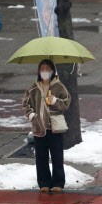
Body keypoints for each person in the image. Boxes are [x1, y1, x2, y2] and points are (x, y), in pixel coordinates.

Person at [22, 59, 71, 193]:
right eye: (42, 69)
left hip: (55, 129)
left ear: (52, 71)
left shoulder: (58, 87)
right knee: (41, 158)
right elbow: (25, 104)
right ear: (39, 71)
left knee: (57, 157)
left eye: (47, 69)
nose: (44, 72)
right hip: (39, 129)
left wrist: (55, 101)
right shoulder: (33, 88)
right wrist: (32, 115)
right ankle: (43, 182)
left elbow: (66, 103)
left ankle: (58, 183)